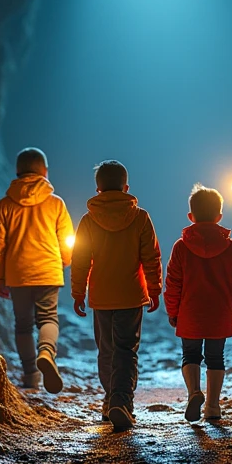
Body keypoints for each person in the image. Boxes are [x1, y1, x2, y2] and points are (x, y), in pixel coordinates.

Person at [71, 160, 161, 430]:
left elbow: (80, 259)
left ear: (97, 188)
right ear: (126, 187)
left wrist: (78, 292)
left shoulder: (88, 220)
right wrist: (155, 289)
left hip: (101, 297)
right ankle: (122, 402)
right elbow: (151, 257)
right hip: (131, 296)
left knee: (106, 351)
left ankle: (110, 399)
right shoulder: (140, 217)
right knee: (126, 351)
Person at [0, 147, 74, 393]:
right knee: (48, 318)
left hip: (18, 274)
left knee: (23, 325)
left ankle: (31, 375)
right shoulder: (56, 204)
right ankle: (46, 352)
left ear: (17, 172)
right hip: (48, 270)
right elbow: (66, 238)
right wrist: (64, 261)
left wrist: (0, 277)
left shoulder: (5, 205)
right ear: (45, 172)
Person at [164, 184, 232, 422]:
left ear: (191, 217)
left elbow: (173, 283)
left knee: (190, 355)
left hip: (189, 313)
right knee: (216, 357)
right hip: (220, 314)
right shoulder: (231, 248)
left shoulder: (180, 248)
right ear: (219, 216)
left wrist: (173, 311)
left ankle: (193, 392)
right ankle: (212, 406)